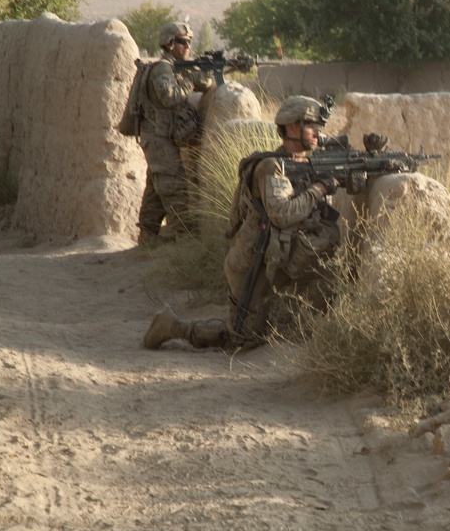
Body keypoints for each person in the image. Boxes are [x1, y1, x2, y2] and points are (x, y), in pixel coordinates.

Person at [143, 95, 344, 351]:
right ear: (293, 127)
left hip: (279, 259)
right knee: (242, 339)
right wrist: (319, 188)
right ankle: (172, 326)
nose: (318, 132)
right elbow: (281, 213)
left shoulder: (303, 163)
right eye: (312, 125)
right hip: (252, 262)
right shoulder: (272, 168)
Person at [136, 21, 216, 246]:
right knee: (175, 188)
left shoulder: (174, 68)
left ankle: (148, 238)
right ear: (170, 44)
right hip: (158, 138)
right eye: (183, 42)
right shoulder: (162, 68)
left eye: (189, 42)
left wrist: (203, 72)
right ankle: (185, 241)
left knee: (156, 188)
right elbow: (169, 97)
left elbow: (205, 83)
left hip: (161, 138)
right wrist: (190, 79)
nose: (188, 46)